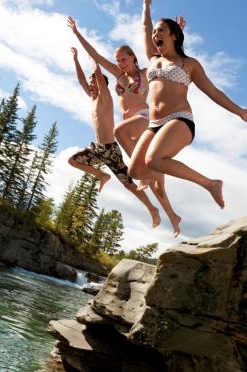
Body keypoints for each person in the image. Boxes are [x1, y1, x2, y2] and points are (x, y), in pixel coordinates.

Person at [129, 0, 247, 209]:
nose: (155, 34)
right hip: (154, 124)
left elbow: (213, 91)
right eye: (155, 32)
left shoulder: (189, 64)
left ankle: (210, 184)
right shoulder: (153, 59)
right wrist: (146, 7)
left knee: (154, 160)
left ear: (174, 36)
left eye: (160, 30)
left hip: (179, 120)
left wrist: (240, 111)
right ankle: (154, 174)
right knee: (135, 171)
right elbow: (144, 28)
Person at [68, 17, 182, 236]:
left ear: (133, 58)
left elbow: (166, 58)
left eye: (124, 59)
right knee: (157, 182)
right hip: (135, 132)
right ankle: (173, 217)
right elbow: (96, 56)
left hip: (146, 118)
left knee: (119, 132)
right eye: (118, 61)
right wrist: (76, 33)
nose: (120, 63)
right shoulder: (119, 77)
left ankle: (144, 174)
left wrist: (175, 37)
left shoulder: (145, 73)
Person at [68, 52, 161, 229]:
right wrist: (75, 60)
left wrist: (94, 61)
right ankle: (102, 175)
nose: (90, 83)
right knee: (72, 160)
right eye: (91, 81)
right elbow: (81, 80)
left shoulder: (105, 97)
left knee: (128, 184)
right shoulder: (93, 98)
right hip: (97, 149)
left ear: (101, 83)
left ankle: (152, 209)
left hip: (110, 150)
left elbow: (99, 78)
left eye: (93, 80)